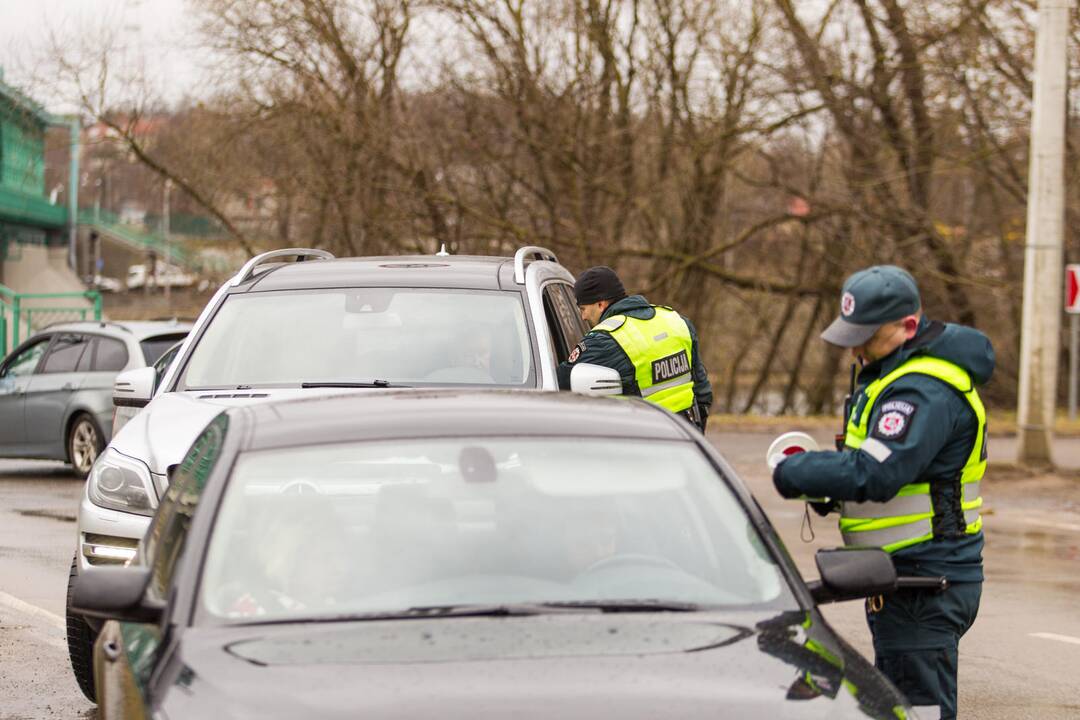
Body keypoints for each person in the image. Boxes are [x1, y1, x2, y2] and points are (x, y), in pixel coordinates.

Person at [771, 265, 993, 720]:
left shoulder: (922, 390)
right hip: (907, 575)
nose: (855, 348)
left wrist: (795, 471)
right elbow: (892, 475)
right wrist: (828, 489)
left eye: (866, 336)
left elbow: (876, 472)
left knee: (917, 713)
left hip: (925, 578)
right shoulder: (896, 377)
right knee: (897, 708)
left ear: (907, 326)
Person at [557, 266, 713, 430]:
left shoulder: (605, 339)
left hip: (645, 438)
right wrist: (696, 431)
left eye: (583, 309)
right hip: (686, 434)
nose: (583, 317)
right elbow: (702, 389)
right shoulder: (676, 321)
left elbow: (560, 380)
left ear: (601, 304)